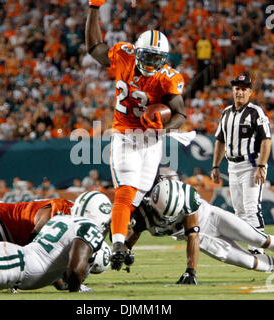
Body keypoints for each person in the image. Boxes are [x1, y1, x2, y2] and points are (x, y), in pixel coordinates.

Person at [85, 0, 186, 268]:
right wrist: (94, 9)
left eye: (157, 58)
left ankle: (111, 236)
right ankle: (118, 244)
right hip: (125, 135)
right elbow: (94, 47)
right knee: (125, 192)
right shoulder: (124, 55)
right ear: (138, 52)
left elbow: (181, 115)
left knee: (137, 196)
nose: (151, 62)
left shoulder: (166, 77)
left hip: (151, 140)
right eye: (148, 56)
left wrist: (163, 128)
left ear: (164, 59)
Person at [123, 178, 274, 283]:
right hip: (205, 241)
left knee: (259, 239)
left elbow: (192, 236)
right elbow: (134, 233)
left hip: (212, 219)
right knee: (251, 264)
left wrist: (191, 272)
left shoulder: (185, 198)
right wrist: (125, 251)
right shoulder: (143, 212)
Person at [210, 73, 272, 254]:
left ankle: (258, 248)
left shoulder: (256, 112)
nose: (240, 92)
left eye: (244, 89)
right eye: (237, 88)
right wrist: (215, 166)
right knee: (239, 210)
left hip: (251, 165)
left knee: (252, 208)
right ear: (232, 90)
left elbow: (266, 140)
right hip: (232, 166)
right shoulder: (226, 113)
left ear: (250, 92)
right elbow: (220, 141)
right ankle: (249, 248)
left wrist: (261, 166)